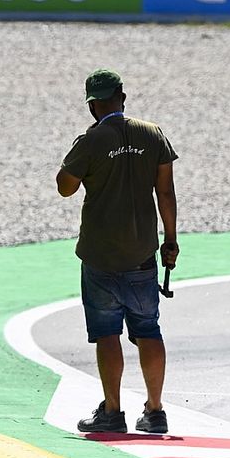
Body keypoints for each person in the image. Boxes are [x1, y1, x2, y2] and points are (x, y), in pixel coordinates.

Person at [55, 69, 180, 435]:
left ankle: (112, 411)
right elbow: (166, 192)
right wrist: (170, 241)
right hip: (142, 251)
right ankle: (155, 411)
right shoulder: (152, 134)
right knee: (148, 329)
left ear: (93, 105)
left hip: (100, 255)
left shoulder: (92, 140)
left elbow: (65, 188)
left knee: (107, 332)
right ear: (122, 96)